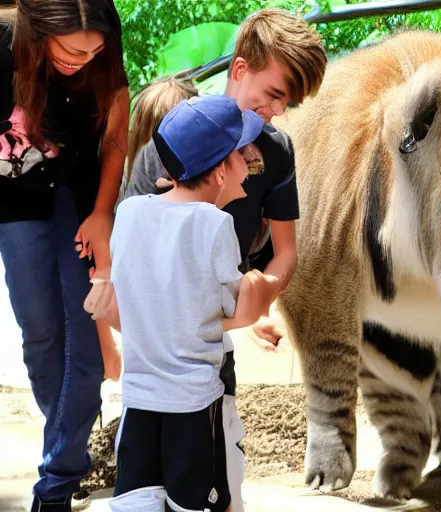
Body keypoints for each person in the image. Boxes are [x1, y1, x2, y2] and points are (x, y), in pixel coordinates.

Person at [121, 8, 327, 511]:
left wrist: (252, 301)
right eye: (274, 93)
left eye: (288, 101)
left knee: (216, 481)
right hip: (157, 358)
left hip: (212, 353)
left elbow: (285, 254)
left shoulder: (276, 152)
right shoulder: (176, 133)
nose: (278, 110)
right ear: (239, 69)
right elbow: (135, 256)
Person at [104, 95, 272, 512]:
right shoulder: (215, 224)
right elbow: (233, 309)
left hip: (139, 402)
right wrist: (258, 289)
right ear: (219, 172)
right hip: (193, 406)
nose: (249, 160)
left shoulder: (129, 213)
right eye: (240, 153)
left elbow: (138, 296)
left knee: (137, 503)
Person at [0, 1, 129, 510]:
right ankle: (67, 446)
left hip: (71, 201)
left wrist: (102, 213)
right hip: (13, 205)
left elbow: (116, 139)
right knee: (40, 337)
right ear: (38, 31)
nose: (85, 58)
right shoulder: (4, 47)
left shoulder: (99, 56)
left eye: (95, 50)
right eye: (74, 49)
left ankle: (56, 478)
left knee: (85, 344)